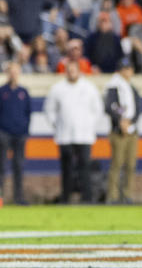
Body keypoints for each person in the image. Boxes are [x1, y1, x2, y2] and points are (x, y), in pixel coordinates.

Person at [44, 59, 104, 203]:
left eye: (74, 70)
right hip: (64, 135)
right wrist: (56, 125)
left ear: (79, 71)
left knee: (85, 168)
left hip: (84, 135)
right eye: (69, 70)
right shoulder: (58, 88)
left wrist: (90, 126)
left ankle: (87, 198)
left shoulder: (89, 88)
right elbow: (49, 109)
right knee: (67, 169)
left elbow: (98, 110)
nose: (71, 73)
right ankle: (66, 198)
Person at [0, 62, 31, 205]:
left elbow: (28, 113)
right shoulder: (0, 92)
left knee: (19, 166)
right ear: (7, 73)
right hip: (4, 134)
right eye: (11, 71)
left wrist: (25, 131)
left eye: (16, 71)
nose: (13, 74)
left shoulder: (23, 92)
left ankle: (19, 197)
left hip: (20, 134)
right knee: (1, 166)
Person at [104, 57, 141, 204]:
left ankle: (127, 194)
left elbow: (137, 109)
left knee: (131, 164)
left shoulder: (132, 88)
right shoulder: (114, 87)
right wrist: (121, 120)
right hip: (118, 131)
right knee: (117, 163)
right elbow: (111, 105)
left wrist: (130, 121)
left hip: (132, 130)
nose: (127, 71)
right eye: (124, 69)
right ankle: (112, 196)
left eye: (129, 68)